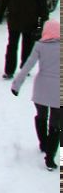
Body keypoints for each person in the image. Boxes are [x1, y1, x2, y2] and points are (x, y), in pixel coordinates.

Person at [11, 19, 60, 171]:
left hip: (41, 89)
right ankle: (50, 157)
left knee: (41, 117)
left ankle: (43, 143)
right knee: (56, 124)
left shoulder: (39, 46)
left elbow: (27, 66)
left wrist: (16, 85)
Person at [0, 0, 48, 78]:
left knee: (28, 46)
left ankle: (25, 68)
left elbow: (42, 4)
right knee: (12, 45)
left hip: (31, 21)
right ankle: (9, 71)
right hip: (14, 20)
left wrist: (44, 19)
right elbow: (3, 0)